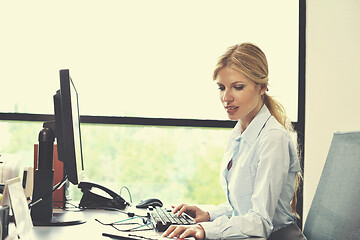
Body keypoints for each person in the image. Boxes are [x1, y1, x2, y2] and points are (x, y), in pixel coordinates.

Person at [162, 43, 302, 239]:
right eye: (221, 88)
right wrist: (208, 215)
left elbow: (260, 222)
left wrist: (206, 230)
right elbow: (242, 207)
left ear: (262, 87)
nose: (226, 98)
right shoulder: (239, 133)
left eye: (238, 87)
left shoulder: (272, 139)